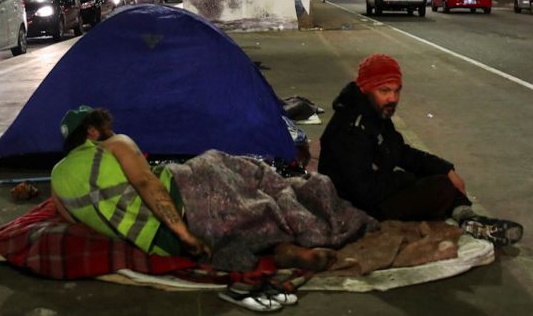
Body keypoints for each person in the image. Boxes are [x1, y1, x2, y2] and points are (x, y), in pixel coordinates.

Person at [51, 105, 336, 270]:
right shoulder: (114, 144)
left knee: (233, 213)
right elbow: (145, 182)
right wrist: (185, 234)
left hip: (158, 245)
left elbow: (79, 224)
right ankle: (291, 237)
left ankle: (278, 247)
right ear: (92, 131)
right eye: (104, 126)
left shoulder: (57, 180)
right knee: (240, 171)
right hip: (180, 198)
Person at [318, 54, 523, 246]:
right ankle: (468, 220)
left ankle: (470, 219)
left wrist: (445, 168)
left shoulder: (376, 114)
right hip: (355, 205)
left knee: (440, 177)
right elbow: (362, 190)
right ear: (365, 89)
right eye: (385, 91)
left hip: (374, 189)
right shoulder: (351, 129)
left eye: (397, 90)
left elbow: (401, 152)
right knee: (438, 187)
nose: (393, 98)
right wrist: (406, 179)